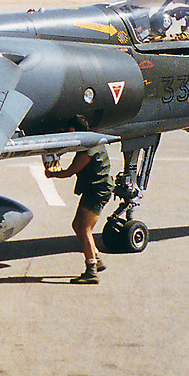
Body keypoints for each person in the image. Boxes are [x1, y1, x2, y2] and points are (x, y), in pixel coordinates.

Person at [45, 115, 114, 284]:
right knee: (77, 225)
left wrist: (52, 173)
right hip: (93, 189)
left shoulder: (88, 151)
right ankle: (96, 259)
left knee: (84, 229)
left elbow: (70, 171)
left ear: (72, 130)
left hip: (97, 191)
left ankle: (91, 271)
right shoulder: (89, 140)